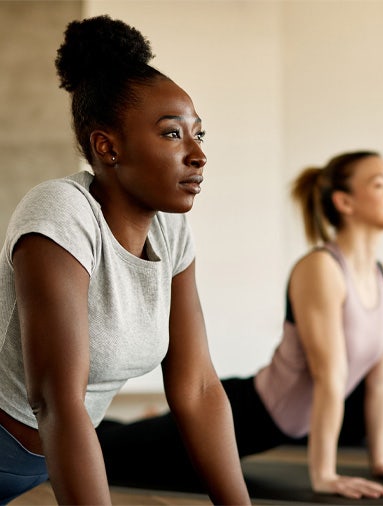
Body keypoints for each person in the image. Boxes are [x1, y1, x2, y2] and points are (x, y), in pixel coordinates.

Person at [0, 15, 250, 505]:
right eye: (172, 134)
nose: (198, 154)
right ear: (107, 146)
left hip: (33, 466)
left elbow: (197, 388)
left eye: (199, 134)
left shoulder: (171, 230)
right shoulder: (61, 212)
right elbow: (55, 401)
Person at [97, 151, 383, 500]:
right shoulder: (322, 268)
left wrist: (380, 460)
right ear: (344, 202)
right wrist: (325, 475)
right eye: (381, 185)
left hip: (278, 426)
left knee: (127, 444)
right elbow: (329, 376)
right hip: (244, 416)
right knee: (109, 451)